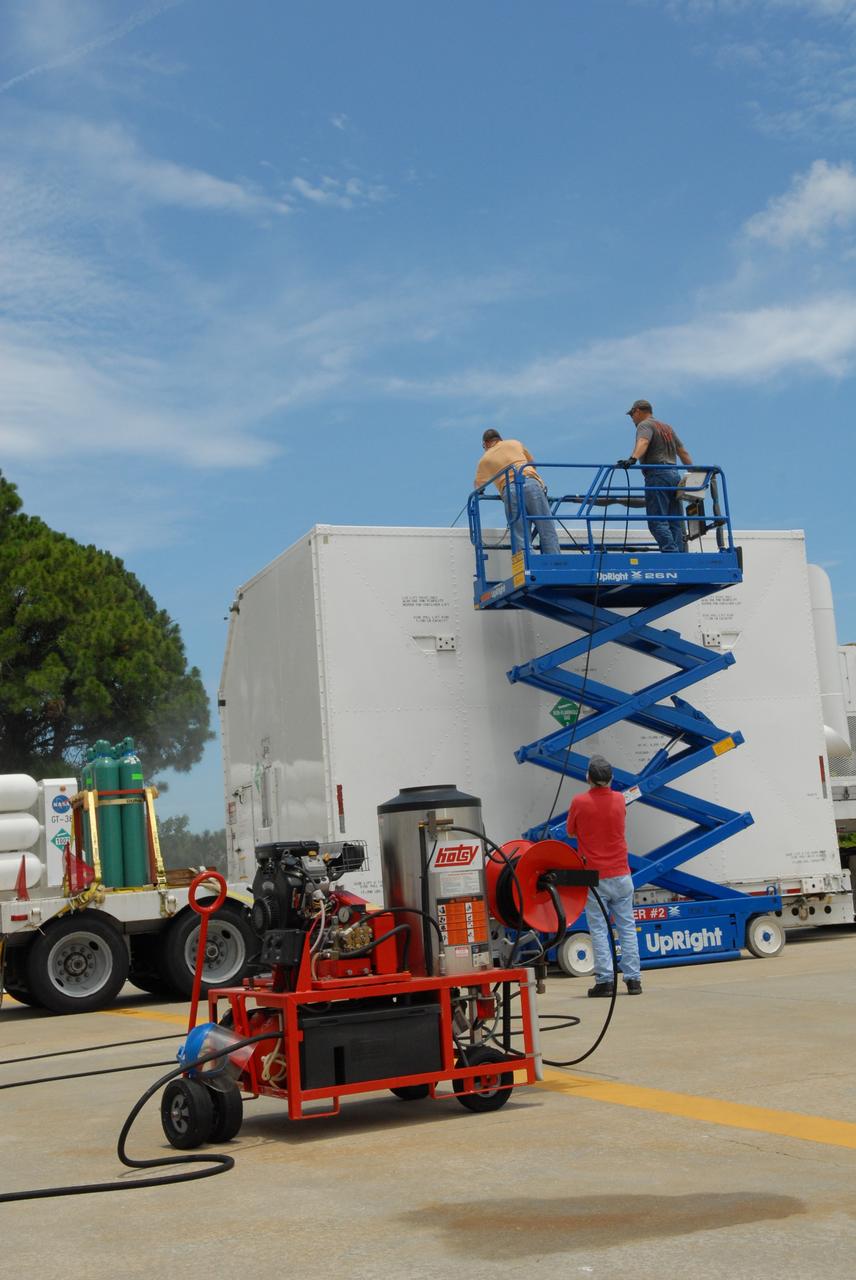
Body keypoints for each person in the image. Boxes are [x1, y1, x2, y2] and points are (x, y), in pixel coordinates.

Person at [566, 754, 642, 996]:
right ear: (611, 778)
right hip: (622, 873)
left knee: (599, 929)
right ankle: (633, 980)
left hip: (594, 876)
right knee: (627, 928)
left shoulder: (579, 802)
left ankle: (605, 981)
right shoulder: (620, 800)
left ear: (588, 777)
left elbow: (570, 832)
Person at [617, 399, 693, 553]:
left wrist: (632, 459)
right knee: (675, 521)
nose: (632, 419)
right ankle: (678, 553)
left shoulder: (644, 425)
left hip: (657, 475)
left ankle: (671, 552)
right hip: (674, 475)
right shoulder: (667, 428)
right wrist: (695, 473)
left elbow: (643, 441)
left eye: (632, 415)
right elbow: (682, 452)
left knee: (657, 521)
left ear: (638, 411)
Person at [474, 429, 560, 555]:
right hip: (532, 484)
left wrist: (480, 491)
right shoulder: (514, 443)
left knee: (520, 536)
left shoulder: (485, 459)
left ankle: (528, 568)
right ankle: (555, 563)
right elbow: (532, 463)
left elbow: (478, 486)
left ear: (486, 444)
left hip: (510, 490)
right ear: (500, 439)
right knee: (546, 528)